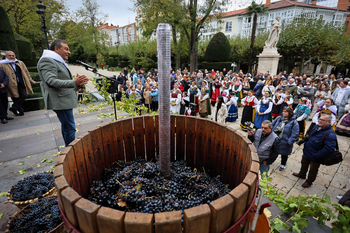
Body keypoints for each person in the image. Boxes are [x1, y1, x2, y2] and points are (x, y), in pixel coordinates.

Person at [37, 39, 89, 146]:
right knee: (70, 128)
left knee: (67, 126)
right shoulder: (47, 61)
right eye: (66, 49)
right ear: (56, 49)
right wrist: (74, 82)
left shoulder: (55, 60)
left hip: (63, 99)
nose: (69, 52)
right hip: (61, 100)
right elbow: (51, 82)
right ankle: (70, 153)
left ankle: (68, 150)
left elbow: (60, 79)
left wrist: (77, 82)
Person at [293, 114, 337, 188]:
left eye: (323, 120)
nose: (320, 121)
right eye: (320, 119)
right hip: (307, 152)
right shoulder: (316, 126)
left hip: (316, 156)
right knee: (304, 164)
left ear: (329, 122)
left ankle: (309, 181)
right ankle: (302, 174)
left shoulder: (330, 134)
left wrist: (317, 155)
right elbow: (310, 136)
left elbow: (329, 149)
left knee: (313, 170)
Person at [0, 51, 35, 116]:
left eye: (13, 55)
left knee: (24, 95)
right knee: (15, 97)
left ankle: (14, 107)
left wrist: (31, 80)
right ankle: (19, 111)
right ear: (6, 56)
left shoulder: (20, 62)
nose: (11, 57)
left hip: (21, 82)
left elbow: (26, 72)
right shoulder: (2, 64)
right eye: (9, 55)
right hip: (11, 84)